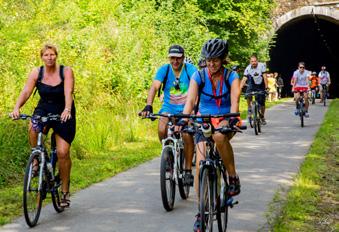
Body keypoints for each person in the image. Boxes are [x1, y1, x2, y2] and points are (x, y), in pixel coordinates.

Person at [177, 39, 240, 231]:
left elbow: (235, 101)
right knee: (200, 164)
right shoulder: (198, 76)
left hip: (225, 118)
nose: (211, 64)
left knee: (220, 137)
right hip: (203, 119)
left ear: (222, 59)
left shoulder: (232, 76)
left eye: (215, 60)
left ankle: (232, 178)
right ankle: (201, 210)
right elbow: (190, 100)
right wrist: (184, 118)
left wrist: (230, 119)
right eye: (208, 60)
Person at [10, 44, 75, 207]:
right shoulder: (36, 72)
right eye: (46, 55)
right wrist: (17, 108)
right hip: (44, 107)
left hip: (63, 111)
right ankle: (36, 160)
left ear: (56, 56)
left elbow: (69, 92)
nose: (49, 58)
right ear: (42, 57)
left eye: (52, 54)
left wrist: (67, 109)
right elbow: (26, 91)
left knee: (62, 152)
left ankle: (65, 192)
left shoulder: (66, 71)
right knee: (33, 126)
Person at [139, 45, 197, 186]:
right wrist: (149, 105)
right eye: (172, 58)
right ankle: (168, 155)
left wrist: (195, 108)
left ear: (183, 58)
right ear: (169, 58)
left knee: (186, 135)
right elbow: (154, 87)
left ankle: (188, 169)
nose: (175, 61)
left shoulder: (190, 69)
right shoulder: (164, 70)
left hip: (186, 109)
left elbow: (198, 87)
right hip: (168, 108)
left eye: (178, 58)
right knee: (161, 128)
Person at [240, 55, 268, 125]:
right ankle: (249, 108)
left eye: (255, 61)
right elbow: (244, 79)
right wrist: (239, 88)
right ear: (250, 62)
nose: (254, 63)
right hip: (252, 84)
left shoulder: (262, 66)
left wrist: (266, 87)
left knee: (262, 102)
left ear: (257, 61)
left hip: (261, 84)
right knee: (248, 93)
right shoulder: (248, 68)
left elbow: (265, 77)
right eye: (252, 61)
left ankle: (262, 117)